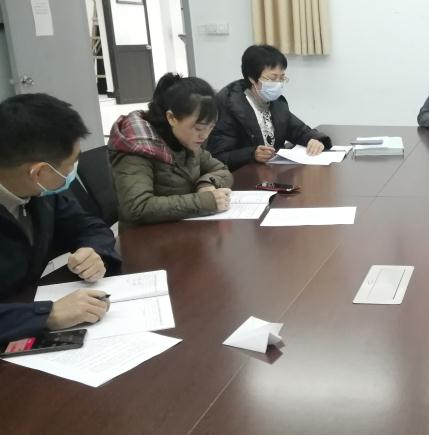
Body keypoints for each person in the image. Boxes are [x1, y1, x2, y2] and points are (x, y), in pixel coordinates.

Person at [0, 93, 118, 343]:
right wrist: (47, 315)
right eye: (71, 164)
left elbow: (88, 226)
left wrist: (93, 251)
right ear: (39, 172)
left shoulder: (42, 193)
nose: (73, 171)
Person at [108, 73, 233, 224]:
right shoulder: (137, 147)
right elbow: (136, 207)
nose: (205, 135)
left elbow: (222, 170)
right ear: (172, 118)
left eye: (211, 127)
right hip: (147, 235)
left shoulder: (186, 139)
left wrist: (206, 184)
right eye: (199, 128)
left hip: (184, 226)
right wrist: (205, 201)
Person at [207, 44, 332, 170]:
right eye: (273, 78)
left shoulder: (276, 102)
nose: (278, 84)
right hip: (241, 175)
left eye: (282, 78)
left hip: (272, 171)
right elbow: (218, 156)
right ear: (252, 78)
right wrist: (252, 154)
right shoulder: (228, 103)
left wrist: (314, 140)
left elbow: (299, 130)